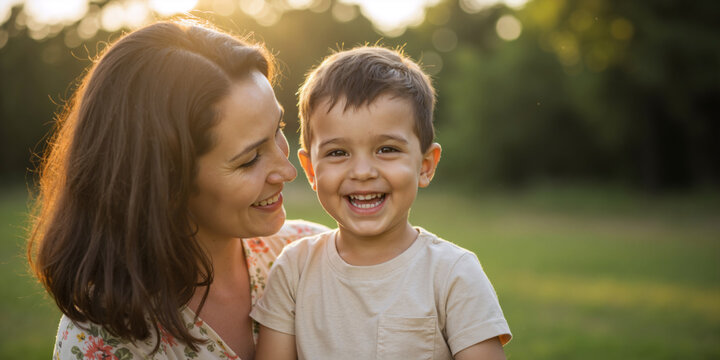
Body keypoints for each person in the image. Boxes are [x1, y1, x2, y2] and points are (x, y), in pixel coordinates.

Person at [26, 19, 328, 360]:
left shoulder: (316, 257)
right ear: (166, 183)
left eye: (279, 129)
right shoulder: (105, 341)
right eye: (249, 160)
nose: (288, 171)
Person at [250, 46, 512, 360]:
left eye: (386, 149)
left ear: (425, 165)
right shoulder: (294, 271)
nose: (362, 172)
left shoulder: (453, 274)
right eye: (338, 153)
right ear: (310, 170)